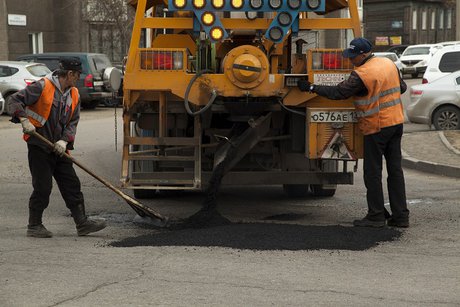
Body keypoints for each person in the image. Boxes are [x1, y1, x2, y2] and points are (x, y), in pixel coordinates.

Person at [298, 37, 410, 228]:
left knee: (372, 172)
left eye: (353, 57)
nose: (350, 60)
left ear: (363, 54)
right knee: (395, 171)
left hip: (376, 126)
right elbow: (402, 87)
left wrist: (311, 87)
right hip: (395, 122)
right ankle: (400, 217)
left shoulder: (363, 73)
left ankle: (375, 216)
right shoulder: (388, 63)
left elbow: (339, 93)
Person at [8, 57, 107, 238]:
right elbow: (14, 101)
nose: (78, 78)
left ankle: (82, 223)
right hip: (39, 145)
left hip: (59, 148)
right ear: (69, 74)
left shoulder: (74, 94)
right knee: (43, 187)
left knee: (72, 184)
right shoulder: (42, 86)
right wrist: (23, 119)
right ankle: (34, 225)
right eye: (77, 75)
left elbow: (73, 122)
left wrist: (64, 141)